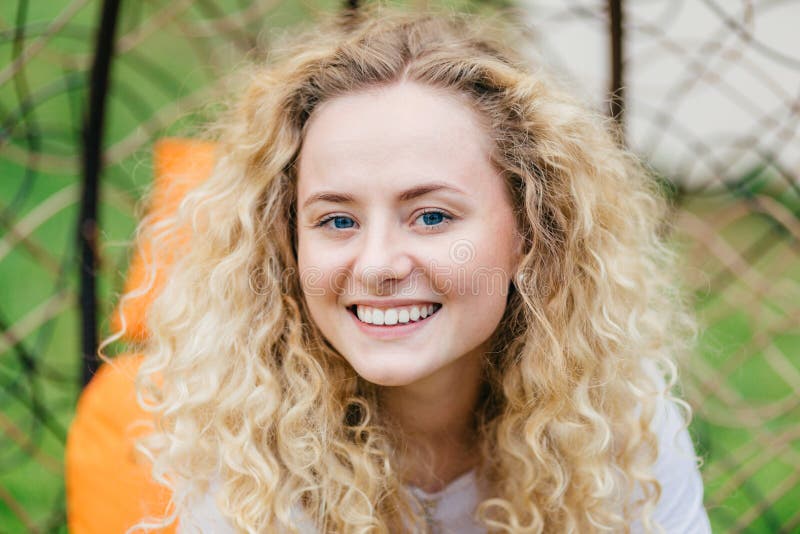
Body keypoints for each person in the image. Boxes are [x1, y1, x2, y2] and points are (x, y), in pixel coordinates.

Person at [129, 5, 711, 533]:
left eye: (431, 216)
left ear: (532, 234)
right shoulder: (250, 443)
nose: (378, 264)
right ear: (288, 243)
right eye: (336, 221)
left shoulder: (617, 426)